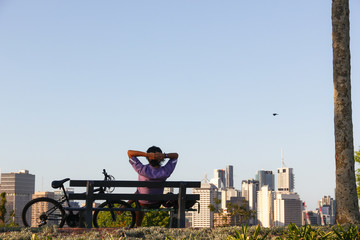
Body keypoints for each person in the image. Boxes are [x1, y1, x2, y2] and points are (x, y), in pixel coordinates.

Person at [128, 146, 178, 227]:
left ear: (149, 158)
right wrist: (164, 155)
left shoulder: (142, 169)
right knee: (140, 193)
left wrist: (146, 154)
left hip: (142, 203)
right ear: (160, 159)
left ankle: (138, 226)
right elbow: (176, 156)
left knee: (139, 193)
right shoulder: (166, 171)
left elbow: (129, 153)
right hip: (156, 202)